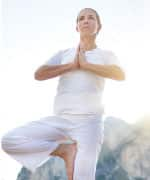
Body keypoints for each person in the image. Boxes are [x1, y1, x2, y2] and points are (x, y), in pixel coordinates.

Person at [1, 8, 125, 180]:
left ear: (98, 26)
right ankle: (64, 151)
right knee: (10, 140)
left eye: (91, 18)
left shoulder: (106, 55)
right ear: (77, 27)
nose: (86, 21)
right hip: (60, 121)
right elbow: (39, 74)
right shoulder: (64, 54)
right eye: (81, 19)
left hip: (89, 124)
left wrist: (86, 65)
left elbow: (119, 74)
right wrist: (71, 66)